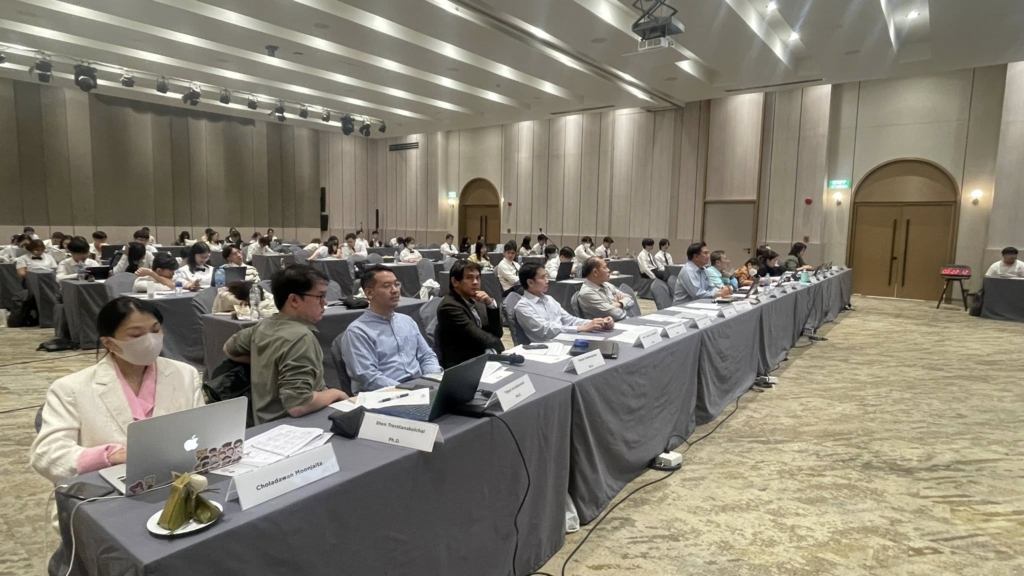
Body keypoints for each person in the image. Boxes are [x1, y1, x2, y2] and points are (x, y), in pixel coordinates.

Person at [30, 297, 204, 486]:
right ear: (109, 343)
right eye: (136, 335)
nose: (150, 341)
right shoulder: (71, 388)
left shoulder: (185, 374)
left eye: (155, 330)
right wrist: (108, 456)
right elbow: (47, 454)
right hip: (105, 488)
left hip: (176, 480)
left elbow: (202, 432)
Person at [224, 266, 347, 424]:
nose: (325, 302)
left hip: (263, 424)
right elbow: (299, 404)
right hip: (297, 426)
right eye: (320, 296)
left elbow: (228, 349)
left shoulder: (263, 325)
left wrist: (266, 362)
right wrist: (335, 393)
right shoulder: (300, 337)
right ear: (294, 300)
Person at [341, 265, 442, 393]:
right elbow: (369, 378)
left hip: (419, 388)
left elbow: (427, 356)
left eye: (396, 284)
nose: (395, 290)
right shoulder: (358, 332)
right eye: (386, 286)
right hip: (385, 394)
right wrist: (410, 390)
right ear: (369, 293)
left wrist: (433, 379)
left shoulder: (407, 321)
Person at [514, 263, 613, 342]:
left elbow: (569, 320)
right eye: (543, 277)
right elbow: (546, 329)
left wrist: (598, 322)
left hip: (564, 339)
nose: (547, 281)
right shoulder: (523, 306)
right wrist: (580, 328)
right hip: (546, 347)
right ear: (530, 282)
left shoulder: (549, 299)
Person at [436, 260, 504, 369]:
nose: (475, 282)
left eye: (478, 278)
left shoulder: (476, 300)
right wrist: (499, 346)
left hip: (481, 357)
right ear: (455, 282)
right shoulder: (449, 307)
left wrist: (490, 304)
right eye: (469, 278)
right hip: (462, 365)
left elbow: (497, 333)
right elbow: (478, 336)